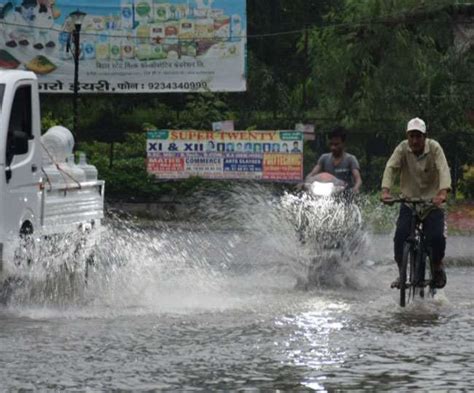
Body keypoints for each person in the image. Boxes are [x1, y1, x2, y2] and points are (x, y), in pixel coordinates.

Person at [381, 117, 451, 289]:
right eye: (411, 136)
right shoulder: (402, 148)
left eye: (418, 136)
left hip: (431, 203)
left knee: (436, 238)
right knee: (400, 237)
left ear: (425, 136)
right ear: (407, 136)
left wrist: (442, 192)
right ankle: (401, 274)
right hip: (409, 202)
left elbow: (443, 168)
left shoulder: (434, 148)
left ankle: (436, 267)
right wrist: (385, 190)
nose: (415, 140)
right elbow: (391, 167)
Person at [304, 126, 362, 193]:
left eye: (336, 144)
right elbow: (312, 173)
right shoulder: (324, 158)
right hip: (327, 192)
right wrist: (306, 182)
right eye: (331, 144)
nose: (333, 147)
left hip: (345, 194)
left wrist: (355, 188)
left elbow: (358, 180)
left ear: (343, 143)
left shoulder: (351, 159)